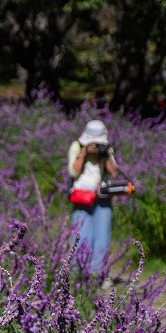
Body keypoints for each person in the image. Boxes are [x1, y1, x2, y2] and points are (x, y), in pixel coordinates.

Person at [67, 119, 120, 287]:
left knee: (102, 236)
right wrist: (84, 153)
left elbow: (114, 173)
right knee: (81, 236)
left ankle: (100, 274)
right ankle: (78, 275)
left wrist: (103, 155)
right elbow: (73, 172)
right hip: (82, 197)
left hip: (102, 197)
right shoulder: (76, 147)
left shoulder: (106, 150)